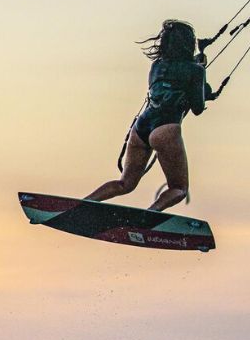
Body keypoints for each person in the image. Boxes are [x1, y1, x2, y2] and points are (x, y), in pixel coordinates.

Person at [86, 20, 219, 211]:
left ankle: (84, 204)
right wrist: (202, 76)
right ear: (187, 44)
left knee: (125, 184)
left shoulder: (156, 65)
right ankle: (149, 215)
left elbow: (170, 82)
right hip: (165, 129)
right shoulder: (195, 70)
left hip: (141, 127)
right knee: (179, 188)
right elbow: (197, 107)